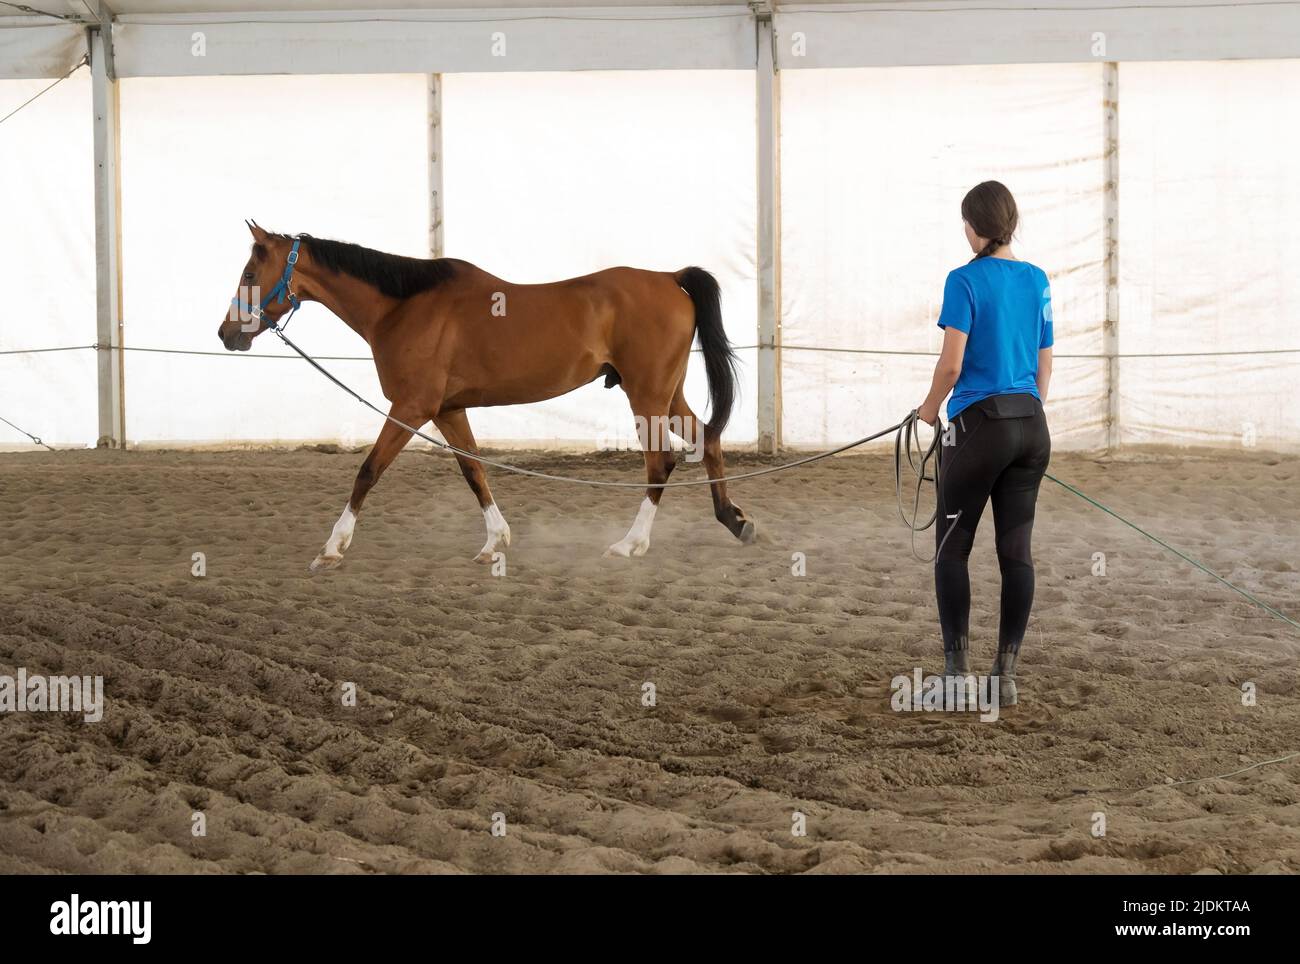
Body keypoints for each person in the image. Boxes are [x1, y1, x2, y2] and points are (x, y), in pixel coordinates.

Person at [916, 181, 1053, 706]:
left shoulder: (964, 280)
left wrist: (928, 410)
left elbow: (952, 364)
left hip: (978, 427)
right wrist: (1028, 415)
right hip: (1031, 427)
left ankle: (955, 674)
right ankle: (1006, 674)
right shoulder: (1037, 279)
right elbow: (1044, 362)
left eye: (966, 223)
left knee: (953, 549)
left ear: (976, 226)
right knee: (1016, 552)